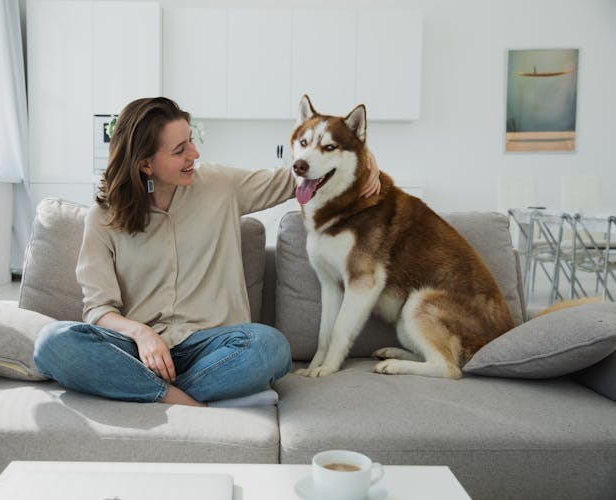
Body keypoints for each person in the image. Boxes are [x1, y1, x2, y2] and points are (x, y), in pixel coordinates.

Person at [33, 97, 380, 407]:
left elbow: (303, 175)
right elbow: (98, 309)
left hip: (215, 347)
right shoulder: (104, 218)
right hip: (137, 352)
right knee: (52, 342)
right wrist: (143, 334)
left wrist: (367, 160)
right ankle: (178, 397)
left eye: (191, 142)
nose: (194, 155)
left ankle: (151, 393)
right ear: (145, 164)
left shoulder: (221, 185)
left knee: (270, 347)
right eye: (180, 150)